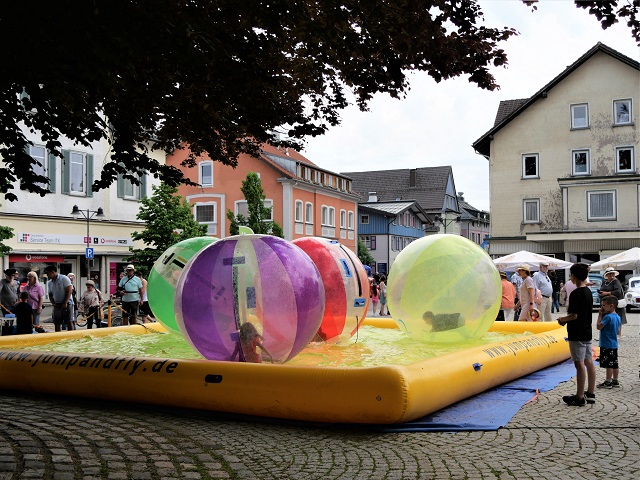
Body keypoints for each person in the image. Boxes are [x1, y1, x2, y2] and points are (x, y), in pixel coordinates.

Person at [557, 263, 596, 406]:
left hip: (577, 332)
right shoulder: (588, 292)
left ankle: (579, 397)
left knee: (579, 364)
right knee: (588, 361)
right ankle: (590, 392)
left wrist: (562, 320)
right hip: (587, 331)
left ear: (573, 276)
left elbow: (573, 316)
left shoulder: (575, 294)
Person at [596, 295, 621, 389]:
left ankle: (608, 381)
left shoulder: (607, 317)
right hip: (614, 344)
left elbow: (598, 327)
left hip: (606, 344)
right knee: (615, 363)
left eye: (604, 305)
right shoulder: (617, 317)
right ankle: (615, 380)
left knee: (608, 364)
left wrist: (600, 315)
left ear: (611, 306)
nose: (602, 307)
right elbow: (618, 331)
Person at [44, 265, 74, 332]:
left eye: (47, 273)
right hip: (57, 303)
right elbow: (50, 294)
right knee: (57, 322)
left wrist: (65, 302)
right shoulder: (50, 283)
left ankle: (72, 336)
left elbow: (69, 290)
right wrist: (53, 303)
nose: (47, 275)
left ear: (52, 272)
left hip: (67, 303)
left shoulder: (64, 278)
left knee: (69, 321)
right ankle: (58, 336)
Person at [598, 267, 627, 335]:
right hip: (605, 303)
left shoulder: (616, 282)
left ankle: (618, 333)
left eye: (612, 274)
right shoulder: (604, 282)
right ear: (607, 275)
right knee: (605, 318)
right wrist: (601, 294)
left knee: (616, 318)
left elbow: (617, 292)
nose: (611, 275)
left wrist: (606, 293)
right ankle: (606, 332)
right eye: (609, 274)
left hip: (613, 303)